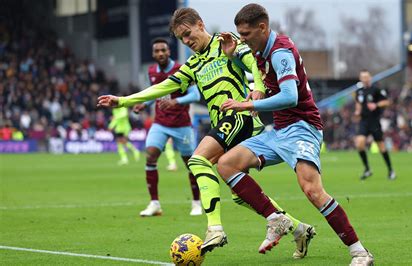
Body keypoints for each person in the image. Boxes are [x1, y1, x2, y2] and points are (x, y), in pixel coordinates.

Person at [97, 7, 314, 257]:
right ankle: (297, 228)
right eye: (181, 39)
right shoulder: (193, 64)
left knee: (198, 160)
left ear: (200, 25)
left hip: (239, 117)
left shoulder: (226, 43)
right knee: (240, 194)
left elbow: (253, 63)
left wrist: (259, 90)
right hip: (224, 123)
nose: (187, 41)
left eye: (188, 34)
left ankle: (215, 229)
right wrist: (123, 101)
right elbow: (162, 87)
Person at [217, 4, 374, 265]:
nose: (242, 39)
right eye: (239, 34)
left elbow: (290, 97)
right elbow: (267, 84)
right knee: (226, 164)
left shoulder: (280, 52)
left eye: (245, 34)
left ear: (262, 27)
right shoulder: (260, 50)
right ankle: (276, 219)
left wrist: (248, 104)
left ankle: (359, 252)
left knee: (312, 190)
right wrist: (234, 57)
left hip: (303, 127)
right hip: (279, 130)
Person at [132, 38, 202, 217]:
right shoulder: (151, 71)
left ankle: (196, 203)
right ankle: (154, 203)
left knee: (190, 164)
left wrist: (175, 101)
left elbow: (195, 95)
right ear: (153, 54)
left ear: (169, 52)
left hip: (182, 125)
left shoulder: (182, 70)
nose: (160, 53)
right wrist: (144, 104)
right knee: (151, 155)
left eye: (163, 50)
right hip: (160, 123)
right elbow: (155, 93)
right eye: (157, 51)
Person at [354, 70, 396, 180]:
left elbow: (386, 102)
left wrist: (376, 105)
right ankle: (367, 169)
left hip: (374, 121)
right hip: (363, 121)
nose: (365, 79)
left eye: (367, 77)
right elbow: (358, 103)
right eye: (363, 77)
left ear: (370, 78)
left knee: (381, 146)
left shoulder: (376, 90)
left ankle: (390, 170)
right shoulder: (359, 91)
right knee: (359, 144)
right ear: (360, 78)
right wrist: (357, 112)